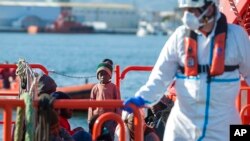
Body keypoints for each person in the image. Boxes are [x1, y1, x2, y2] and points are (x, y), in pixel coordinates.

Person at [124, 0, 250, 140]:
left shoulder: (237, 37)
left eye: (192, 10)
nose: (187, 15)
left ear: (209, 8)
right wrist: (141, 99)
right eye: (186, 10)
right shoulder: (179, 37)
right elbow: (159, 78)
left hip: (223, 127)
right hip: (182, 127)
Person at [88, 61, 121, 140]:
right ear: (97, 76)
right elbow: (91, 104)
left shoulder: (114, 88)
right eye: (100, 74)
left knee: (110, 136)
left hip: (110, 118)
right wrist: (90, 119)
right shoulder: (95, 88)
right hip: (97, 118)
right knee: (96, 135)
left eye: (105, 74)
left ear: (110, 76)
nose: (103, 76)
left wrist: (117, 119)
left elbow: (118, 104)